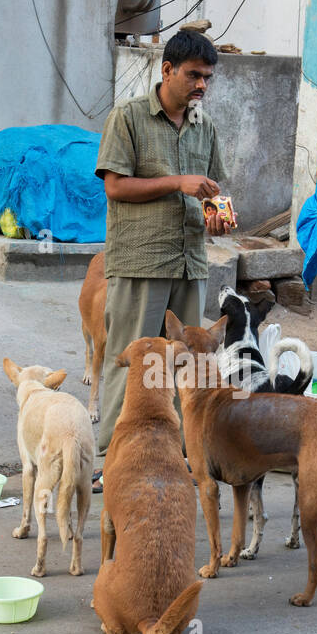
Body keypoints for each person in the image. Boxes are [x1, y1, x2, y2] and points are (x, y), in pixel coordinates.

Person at [93, 29, 231, 464]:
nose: (201, 86)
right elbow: (114, 186)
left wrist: (216, 215)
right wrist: (178, 182)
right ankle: (113, 458)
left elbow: (210, 188)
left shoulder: (204, 127)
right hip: (142, 260)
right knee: (135, 362)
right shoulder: (128, 117)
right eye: (194, 75)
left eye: (208, 77)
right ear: (167, 70)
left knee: (189, 365)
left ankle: (176, 454)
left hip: (191, 262)